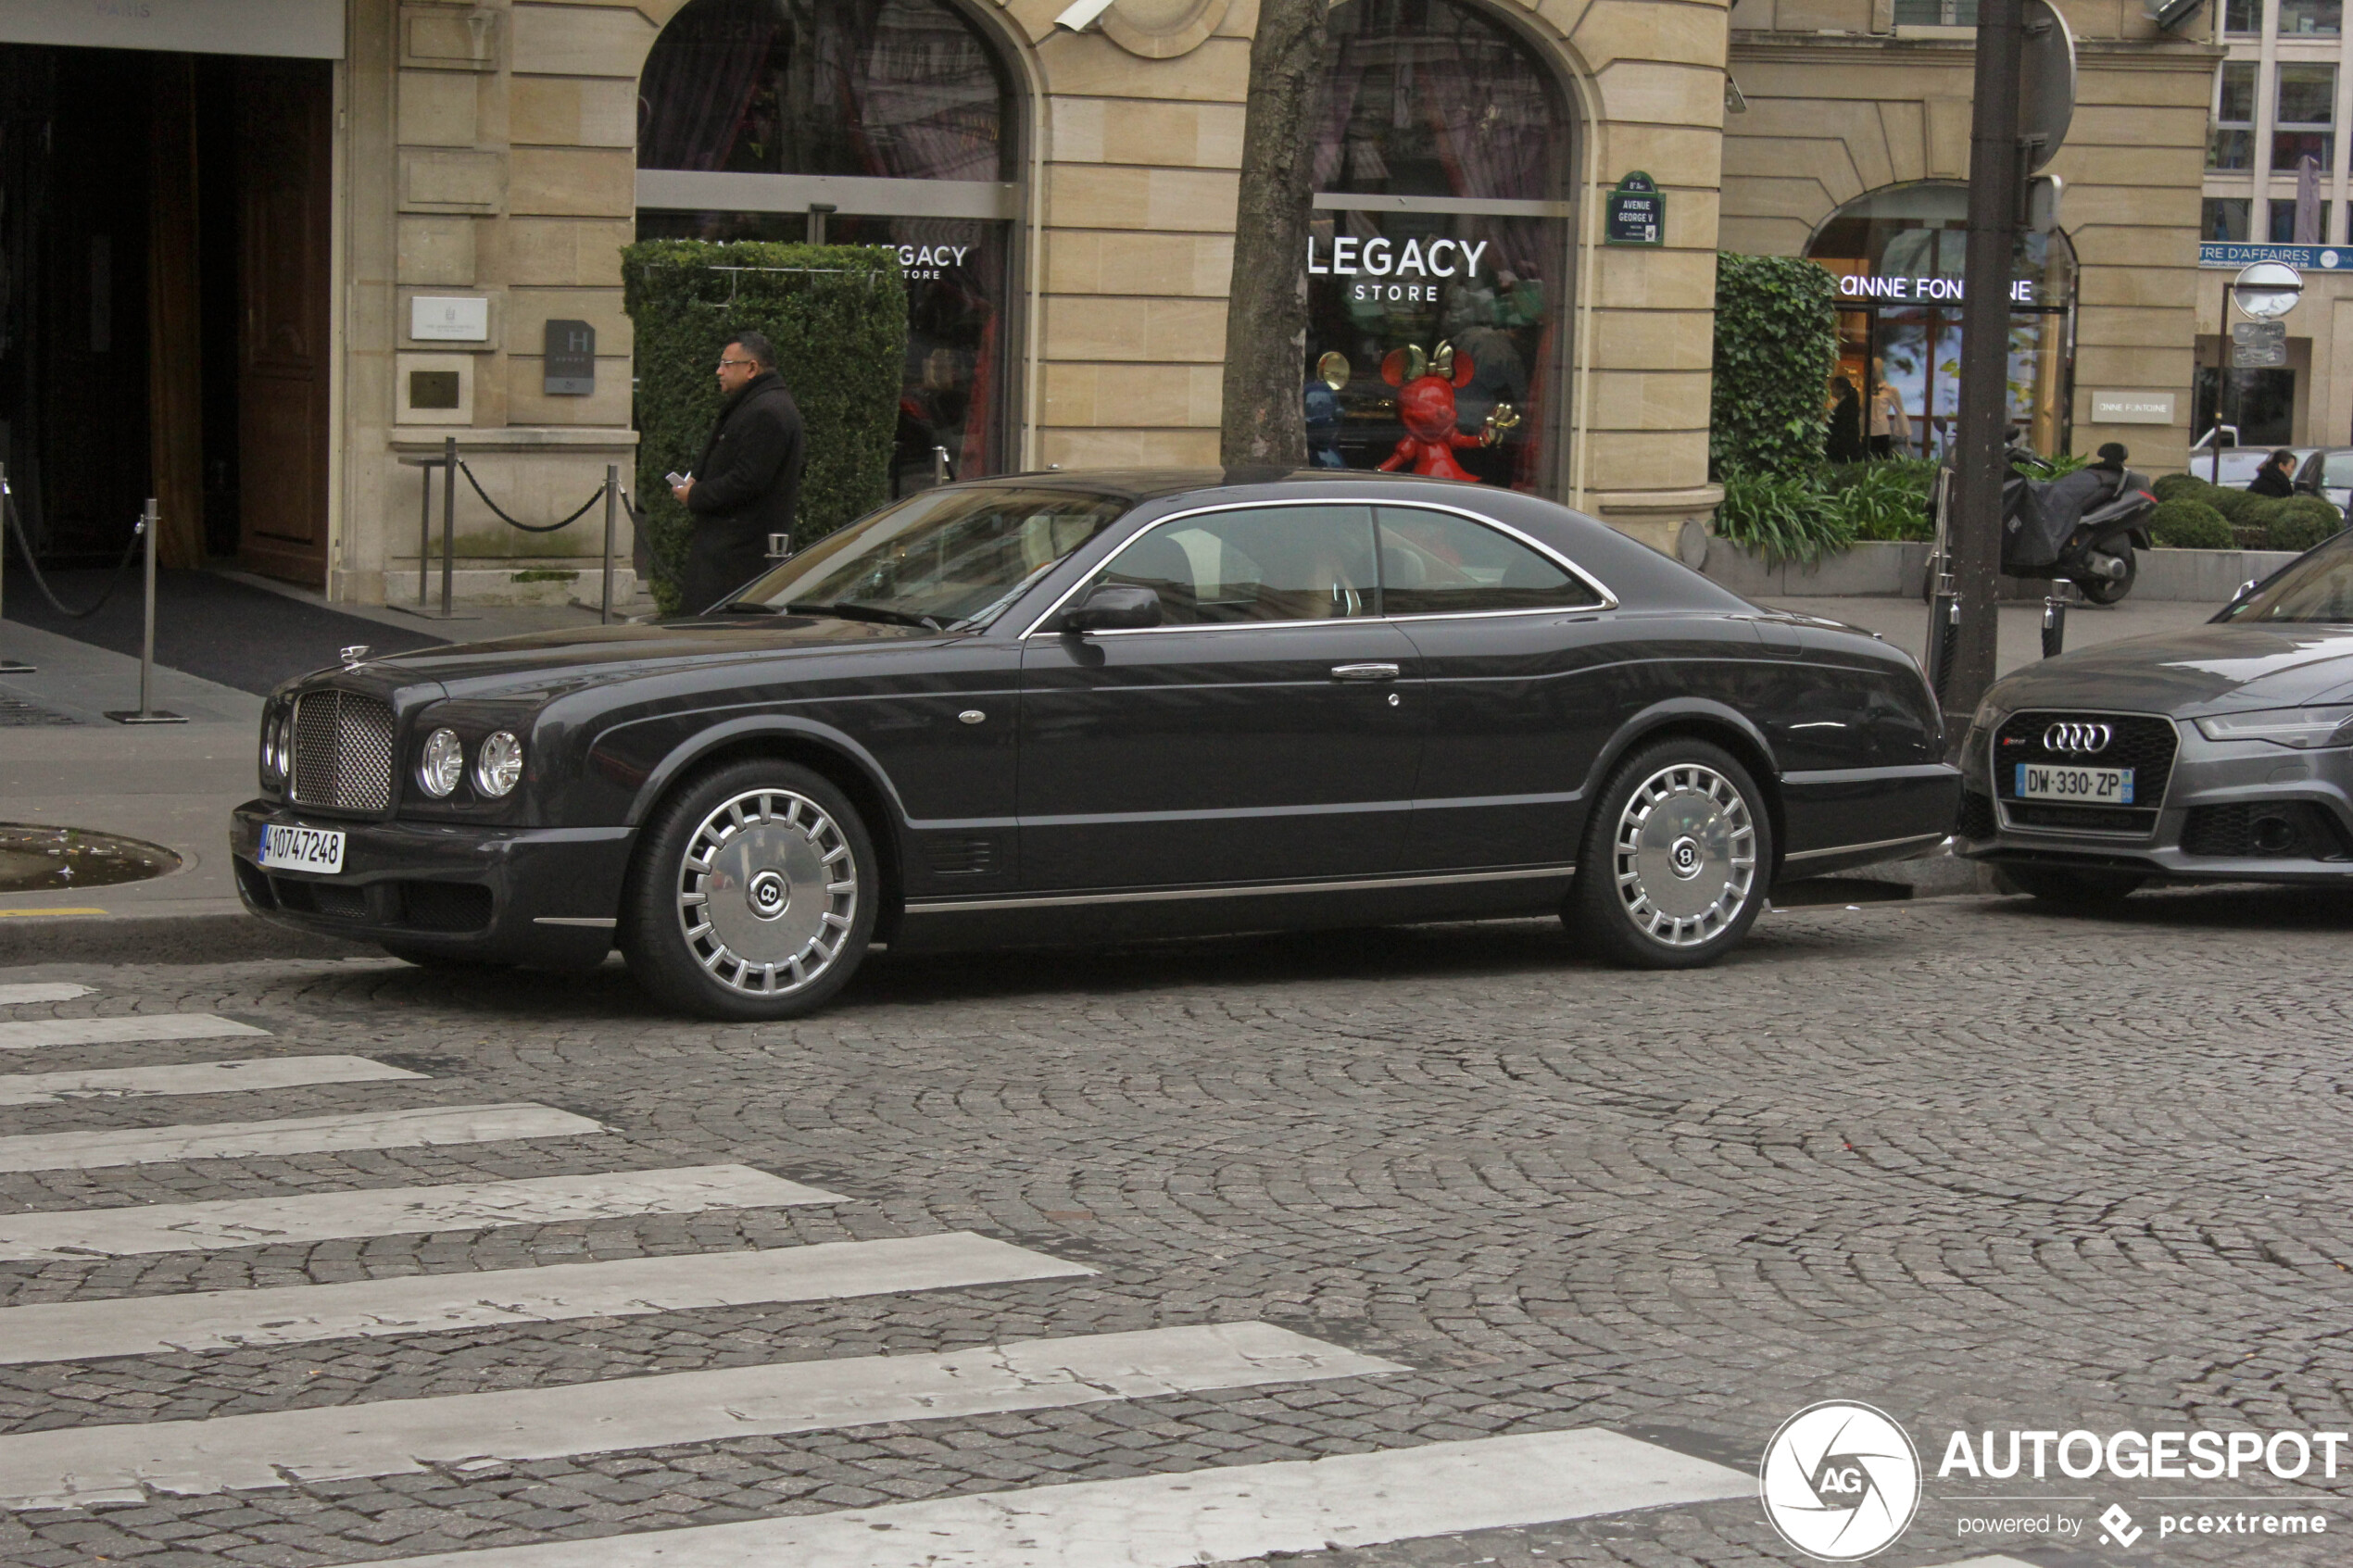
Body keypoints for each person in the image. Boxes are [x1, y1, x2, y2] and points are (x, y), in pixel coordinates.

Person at [671, 330, 805, 614]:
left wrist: (696, 494)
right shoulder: (758, 404)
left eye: (726, 364)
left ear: (752, 368)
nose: (719, 371)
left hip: (738, 559)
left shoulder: (766, 411)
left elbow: (747, 480)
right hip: (731, 554)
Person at [1867, 359, 1909, 458]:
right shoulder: (1868, 390)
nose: (1871, 372)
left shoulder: (1891, 391)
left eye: (1873, 369)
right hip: (1867, 431)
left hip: (1881, 431)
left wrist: (1906, 436)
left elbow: (1900, 412)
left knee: (1880, 459)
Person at [1826, 376, 1863, 462]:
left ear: (1841, 389)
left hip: (1842, 447)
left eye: (1833, 386)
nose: (1831, 389)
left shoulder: (1846, 407)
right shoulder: (1845, 405)